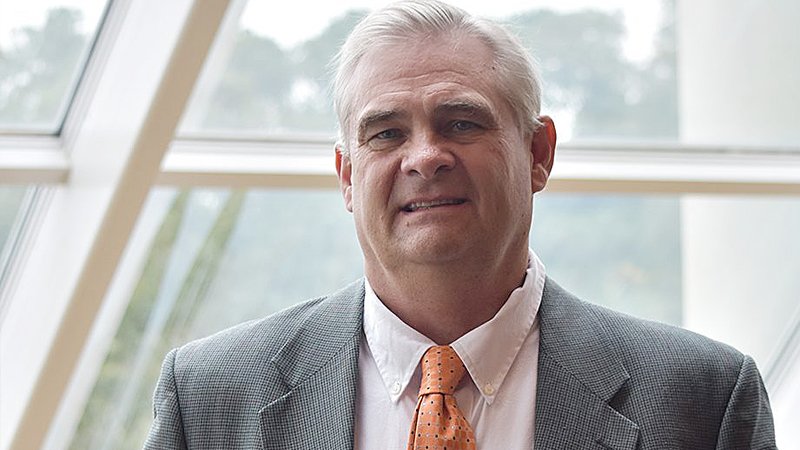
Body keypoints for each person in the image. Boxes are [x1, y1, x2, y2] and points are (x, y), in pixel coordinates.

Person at [144, 1, 776, 449]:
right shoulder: (209, 399)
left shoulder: (701, 402)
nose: (425, 157)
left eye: (461, 123)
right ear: (346, 176)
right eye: (386, 133)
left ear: (539, 154)